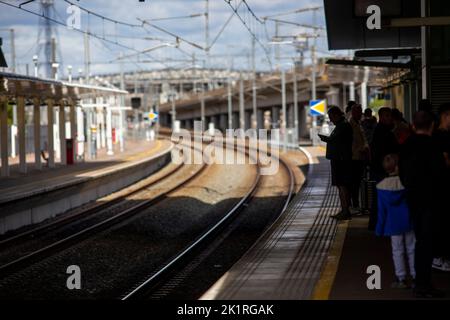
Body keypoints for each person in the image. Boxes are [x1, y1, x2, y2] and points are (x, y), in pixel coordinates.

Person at [399, 111, 446, 298]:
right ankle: (423, 284)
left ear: (412, 125)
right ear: (432, 125)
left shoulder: (407, 145)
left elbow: (402, 173)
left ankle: (421, 282)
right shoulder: (433, 145)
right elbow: (440, 174)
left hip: (413, 199)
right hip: (432, 201)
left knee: (420, 242)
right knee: (427, 243)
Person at [376, 154, 415, 289]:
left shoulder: (381, 186)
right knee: (412, 249)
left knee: (397, 250)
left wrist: (379, 229)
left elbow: (381, 211)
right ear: (398, 167)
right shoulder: (406, 183)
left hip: (393, 224)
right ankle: (416, 276)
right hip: (409, 221)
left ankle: (401, 278)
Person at [319, 106, 353, 220]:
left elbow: (335, 140)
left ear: (336, 115)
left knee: (342, 185)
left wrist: (325, 138)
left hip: (341, 160)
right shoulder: (341, 125)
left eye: (331, 117)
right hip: (340, 159)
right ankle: (344, 210)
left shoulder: (343, 126)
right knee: (341, 185)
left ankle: (345, 211)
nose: (331, 120)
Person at [369, 107, 399, 230]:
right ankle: (378, 224)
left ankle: (377, 224)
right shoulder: (383, 132)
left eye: (390, 115)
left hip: (381, 169)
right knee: (381, 198)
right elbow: (383, 152)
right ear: (381, 117)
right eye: (386, 116)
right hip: (383, 170)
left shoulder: (383, 130)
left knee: (380, 197)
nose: (389, 118)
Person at [432, 103, 450, 272]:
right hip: (443, 185)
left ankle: (440, 256)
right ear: (445, 116)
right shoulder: (442, 137)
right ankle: (440, 257)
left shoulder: (435, 136)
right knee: (443, 221)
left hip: (439, 185)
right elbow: (445, 160)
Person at [349, 104, 369, 213]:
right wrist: (363, 148)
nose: (360, 114)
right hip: (354, 158)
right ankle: (355, 204)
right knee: (354, 183)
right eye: (358, 112)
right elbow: (353, 142)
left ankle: (357, 204)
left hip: (360, 157)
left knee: (358, 182)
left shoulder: (358, 123)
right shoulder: (351, 124)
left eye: (361, 111)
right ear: (353, 112)